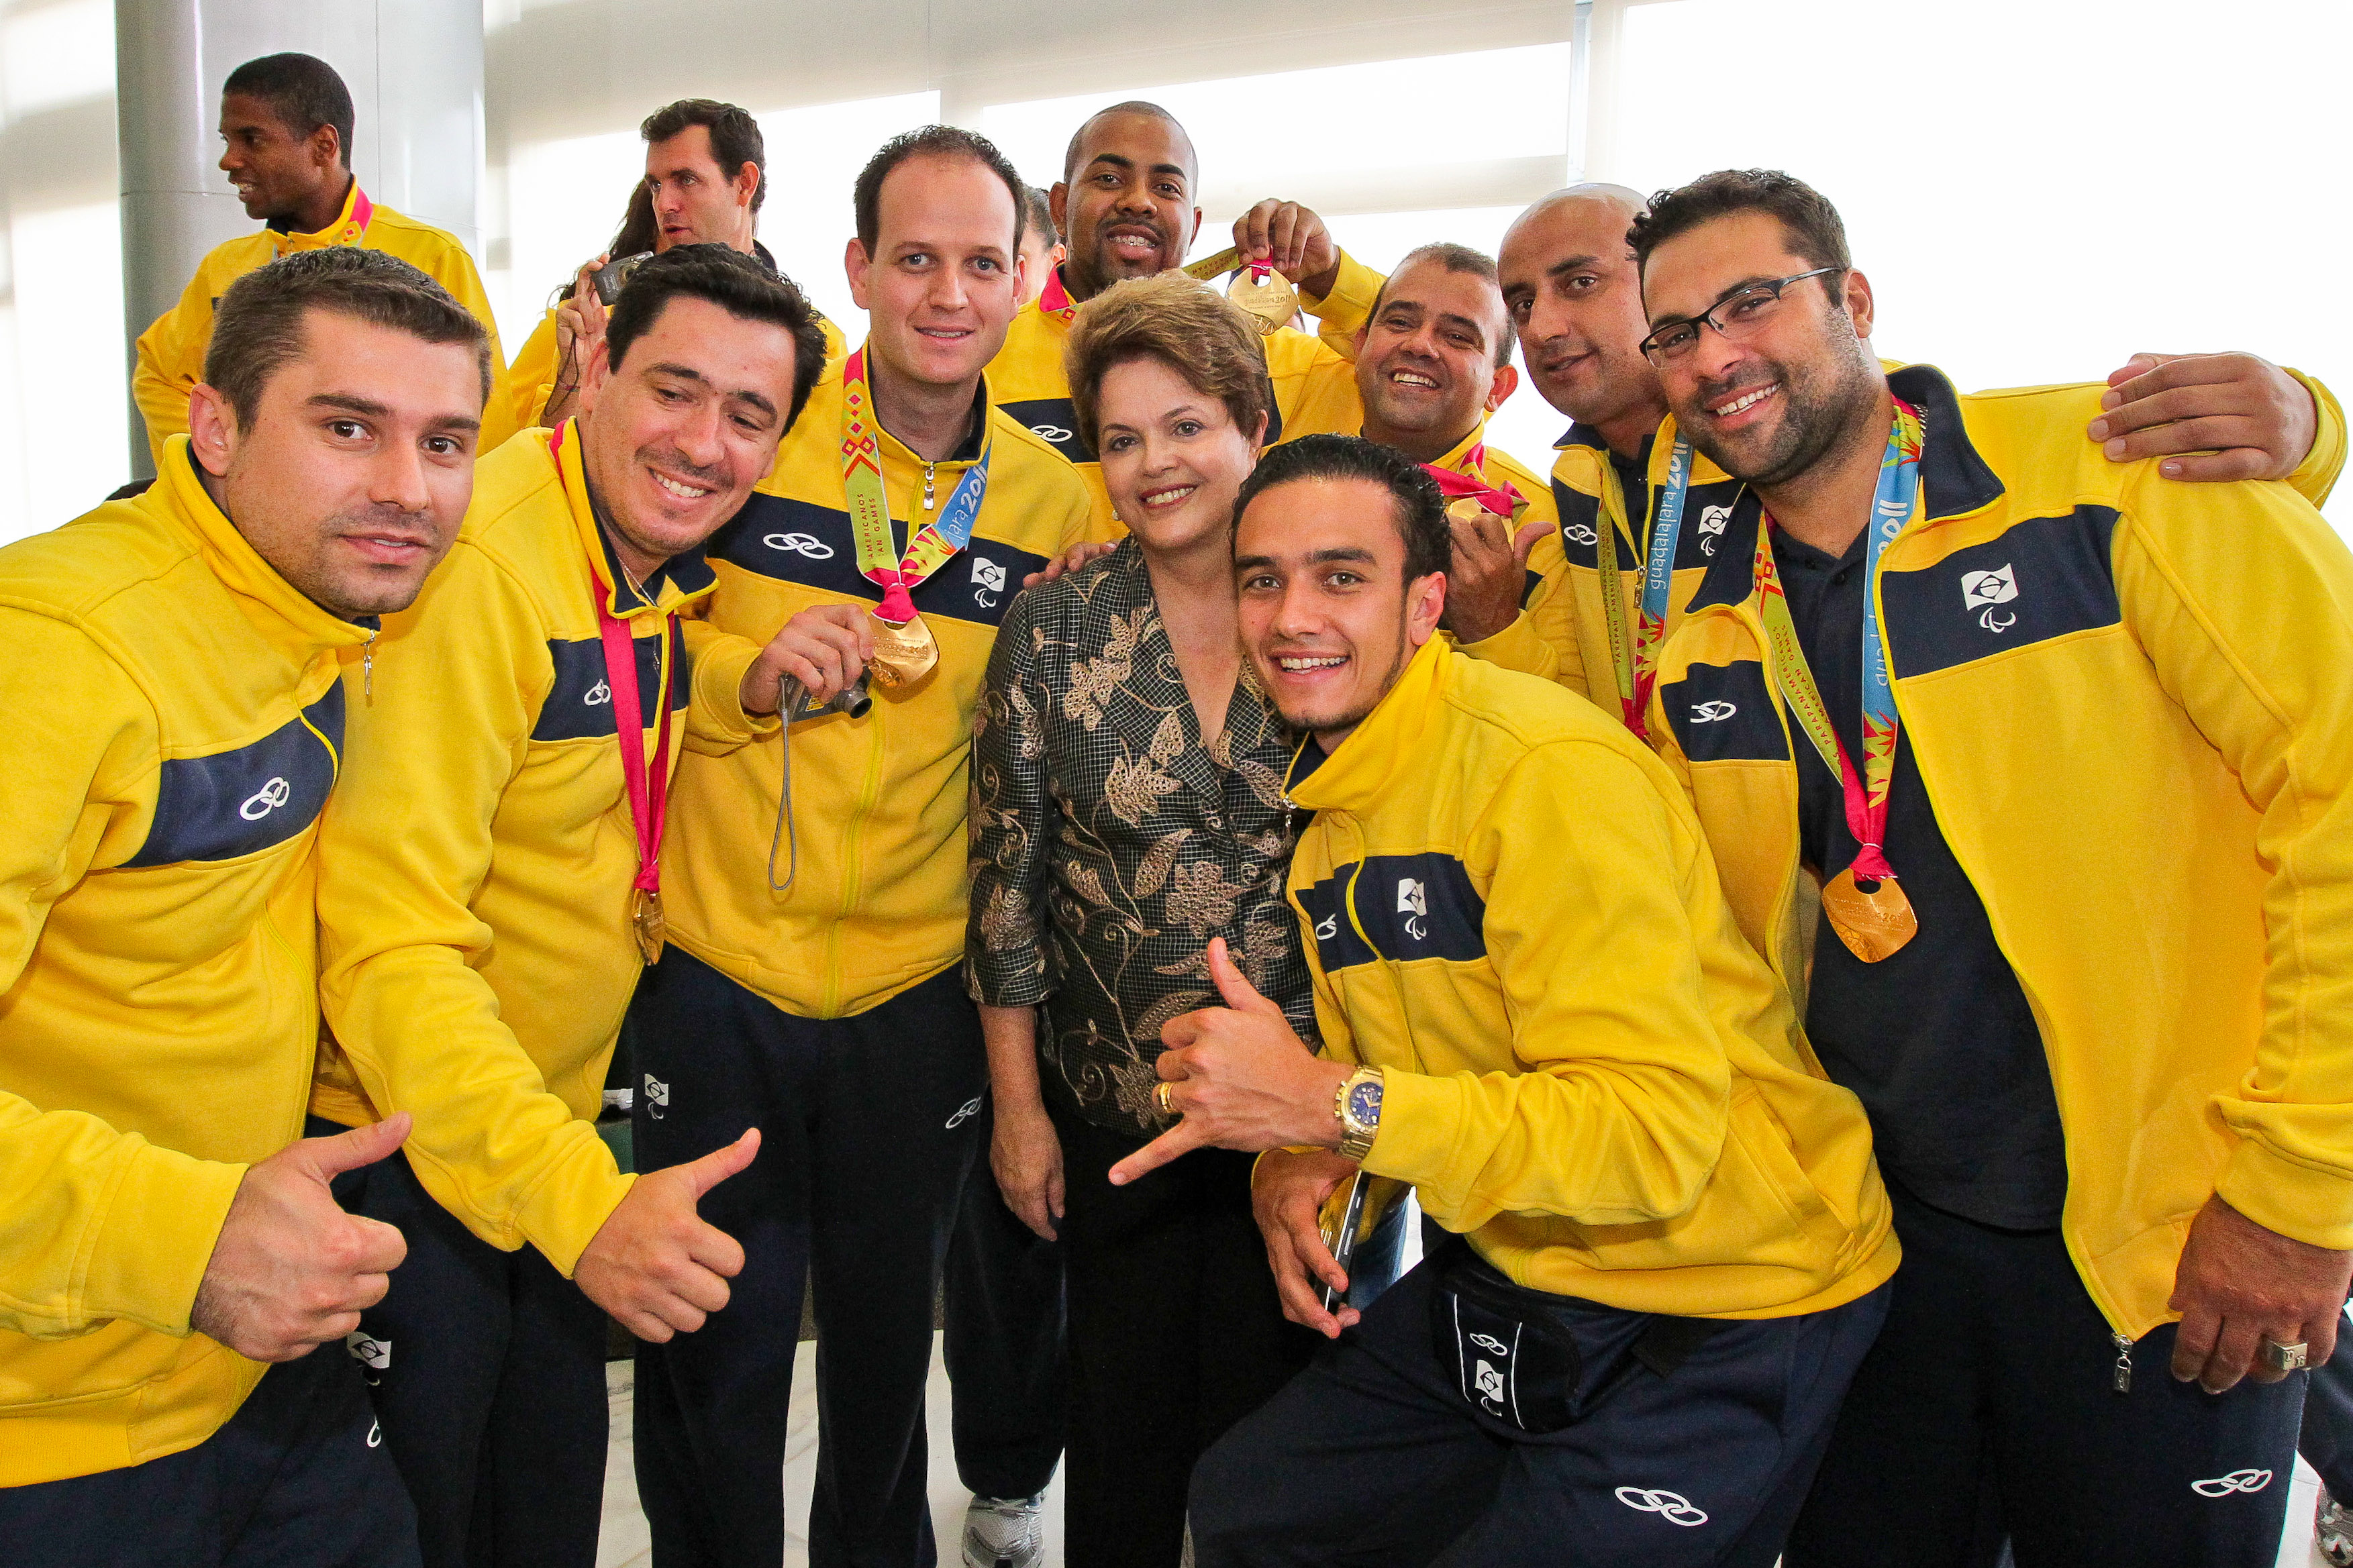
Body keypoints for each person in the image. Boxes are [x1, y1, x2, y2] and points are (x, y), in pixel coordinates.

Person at [1625, 169, 2353, 1567]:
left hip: (2159, 1244)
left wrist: (2296, 1191)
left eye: (1749, 303)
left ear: (1853, 300)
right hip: (1872, 1253)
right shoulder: (1707, 620)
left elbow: (2338, 799)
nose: (1713, 354)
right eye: (1676, 332)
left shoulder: (2107, 473)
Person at [1119, 433, 1897, 1565]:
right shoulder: (1334, 813)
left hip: (1736, 1288)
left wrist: (1333, 1106)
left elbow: (1651, 1136)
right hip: (1525, 1256)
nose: (1292, 616)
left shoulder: (1541, 773)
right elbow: (1395, 1081)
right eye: (1262, 579)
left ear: (1424, 604)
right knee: (1250, 1504)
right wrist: (1298, 1160)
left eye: (1341, 576)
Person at [307, 246, 842, 1568]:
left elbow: (611, 689)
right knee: (434, 1527)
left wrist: (739, 681)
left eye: (748, 414)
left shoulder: (625, 552)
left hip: (527, 1138)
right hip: (408, 1141)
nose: (703, 444)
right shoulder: (484, 566)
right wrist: (572, 1196)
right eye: (674, 389)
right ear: (595, 365)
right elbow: (389, 940)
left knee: (542, 1504)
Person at [628, 126, 1093, 1568]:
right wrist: (742, 675)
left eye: (980, 263)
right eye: (914, 259)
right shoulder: (753, 438)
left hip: (916, 994)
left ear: (1024, 280)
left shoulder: (1055, 502)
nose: (947, 294)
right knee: (712, 1351)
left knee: (888, 1360)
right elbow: (631, 629)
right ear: (857, 268)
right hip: (720, 974)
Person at [0, 248, 490, 1564]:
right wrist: (185, 1238)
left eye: (446, 442)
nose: (409, 488)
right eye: (349, 428)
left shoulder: (314, 609)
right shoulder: (56, 651)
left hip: (258, 1359)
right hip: (54, 1426)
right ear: (214, 428)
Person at [968, 273, 1328, 1566]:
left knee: (1278, 1465)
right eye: (1121, 439)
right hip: (1115, 1120)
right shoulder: (1055, 628)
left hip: (1307, 1123)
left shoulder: (1327, 613)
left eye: (1185, 426)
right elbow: (1005, 888)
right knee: (1120, 1451)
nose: (1154, 463)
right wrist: (1019, 1114)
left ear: (1252, 426)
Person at [1487, 182, 2344, 710]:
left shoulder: (1800, 425)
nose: (1545, 324)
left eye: (1580, 282)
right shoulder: (1565, 495)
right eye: (1520, 304)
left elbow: (2075, 462)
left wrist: (2310, 424)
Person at [990, 99, 1382, 533]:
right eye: (1109, 179)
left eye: (1167, 188)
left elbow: (1426, 371)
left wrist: (1332, 277)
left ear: (1194, 227)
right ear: (1060, 207)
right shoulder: (988, 358)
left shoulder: (1275, 363)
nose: (1139, 202)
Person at [133, 53, 503, 471]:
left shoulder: (432, 255)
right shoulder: (224, 268)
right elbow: (159, 374)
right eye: (227, 141)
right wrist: (214, 468)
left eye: (252, 139)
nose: (229, 160)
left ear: (324, 146)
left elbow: (484, 417)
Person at [503, 99, 849, 437]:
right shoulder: (589, 320)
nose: (663, 203)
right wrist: (576, 379)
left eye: (686, 180)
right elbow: (530, 461)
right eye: (656, 185)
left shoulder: (816, 342)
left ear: (745, 183)